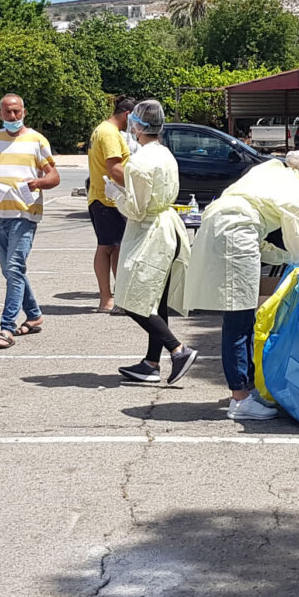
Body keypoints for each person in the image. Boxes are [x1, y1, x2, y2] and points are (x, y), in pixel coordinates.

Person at [184, 146, 299, 420]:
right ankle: (240, 399)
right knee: (238, 319)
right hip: (235, 233)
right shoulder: (294, 193)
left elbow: (266, 242)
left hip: (223, 226)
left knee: (241, 317)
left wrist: (287, 256)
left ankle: (246, 391)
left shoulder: (272, 170)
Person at [113, 100, 197, 384]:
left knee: (131, 297)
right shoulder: (165, 154)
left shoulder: (139, 162)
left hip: (150, 232)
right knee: (156, 300)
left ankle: (178, 349)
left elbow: (135, 209)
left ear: (137, 125)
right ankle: (151, 362)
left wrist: (116, 195)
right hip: (169, 227)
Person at [0, 93, 60, 349]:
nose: (13, 116)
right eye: (8, 112)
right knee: (11, 270)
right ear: (0, 114)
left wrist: (38, 182)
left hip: (25, 214)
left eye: (17, 111)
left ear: (24, 112)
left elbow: (54, 176)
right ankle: (34, 315)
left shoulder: (36, 140)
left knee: (13, 267)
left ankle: (7, 327)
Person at [87, 96, 135, 313]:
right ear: (127, 115)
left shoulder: (106, 130)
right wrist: (137, 188)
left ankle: (119, 297)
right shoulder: (109, 134)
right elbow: (115, 169)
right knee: (107, 247)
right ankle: (106, 299)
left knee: (117, 247)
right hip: (106, 199)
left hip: (108, 198)